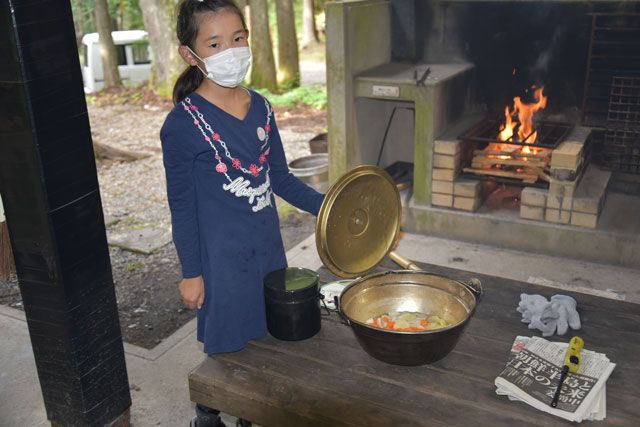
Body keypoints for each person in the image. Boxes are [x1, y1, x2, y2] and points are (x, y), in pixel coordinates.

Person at [160, 1, 325, 426]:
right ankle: (209, 412)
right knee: (226, 342)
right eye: (214, 43)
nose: (230, 50)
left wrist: (331, 210)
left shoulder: (263, 108)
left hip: (269, 253)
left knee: (264, 336)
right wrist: (191, 271)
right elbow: (182, 207)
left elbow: (282, 180)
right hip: (221, 263)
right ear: (190, 54)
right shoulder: (181, 125)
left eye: (237, 38)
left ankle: (250, 411)